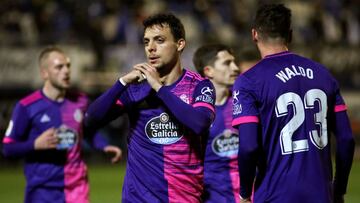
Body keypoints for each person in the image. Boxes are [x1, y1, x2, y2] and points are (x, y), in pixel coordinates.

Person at [85, 13, 216, 203]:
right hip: (138, 198)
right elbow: (91, 118)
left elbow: (199, 123)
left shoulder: (199, 86)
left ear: (180, 44)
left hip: (184, 196)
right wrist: (121, 83)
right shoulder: (135, 90)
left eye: (160, 40)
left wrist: (159, 89)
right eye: (146, 42)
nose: (151, 48)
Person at [232, 4, 355, 203]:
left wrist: (245, 194)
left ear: (254, 34)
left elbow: (248, 147)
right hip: (321, 194)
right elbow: (346, 139)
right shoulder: (323, 74)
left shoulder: (248, 81)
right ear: (290, 34)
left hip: (275, 195)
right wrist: (339, 189)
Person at [2, 46, 122, 203]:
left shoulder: (81, 100)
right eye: (59, 67)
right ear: (44, 73)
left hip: (77, 187)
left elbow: (86, 130)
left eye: (68, 66)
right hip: (42, 190)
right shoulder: (27, 106)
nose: (66, 71)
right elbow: (7, 148)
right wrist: (35, 144)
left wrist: (102, 145)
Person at [193, 44, 241, 203]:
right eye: (227, 63)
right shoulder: (194, 111)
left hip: (248, 197)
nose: (235, 68)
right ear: (209, 71)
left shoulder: (244, 101)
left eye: (234, 62)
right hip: (211, 198)